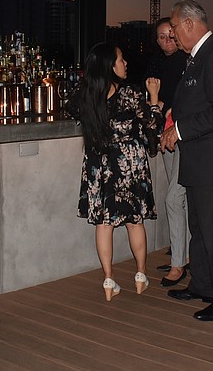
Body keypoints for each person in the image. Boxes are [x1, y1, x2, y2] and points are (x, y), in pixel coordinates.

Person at [160, 0, 213, 322]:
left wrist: (180, 128)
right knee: (199, 226)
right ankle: (204, 285)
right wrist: (176, 113)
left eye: (172, 27)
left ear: (188, 24)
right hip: (199, 160)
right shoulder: (197, 58)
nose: (171, 33)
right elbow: (200, 101)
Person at [66, 42, 162, 301]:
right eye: (121, 59)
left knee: (104, 224)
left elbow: (71, 109)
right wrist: (154, 99)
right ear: (110, 65)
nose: (125, 63)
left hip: (100, 164)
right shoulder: (130, 94)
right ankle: (140, 274)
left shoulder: (85, 94)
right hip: (128, 163)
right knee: (135, 221)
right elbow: (152, 128)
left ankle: (109, 280)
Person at [145, 17, 190, 287]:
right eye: (161, 37)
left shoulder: (188, 61)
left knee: (174, 198)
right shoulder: (157, 64)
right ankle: (182, 256)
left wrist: (166, 106)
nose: (166, 41)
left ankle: (179, 264)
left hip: (185, 135)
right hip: (167, 137)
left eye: (170, 35)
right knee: (179, 199)